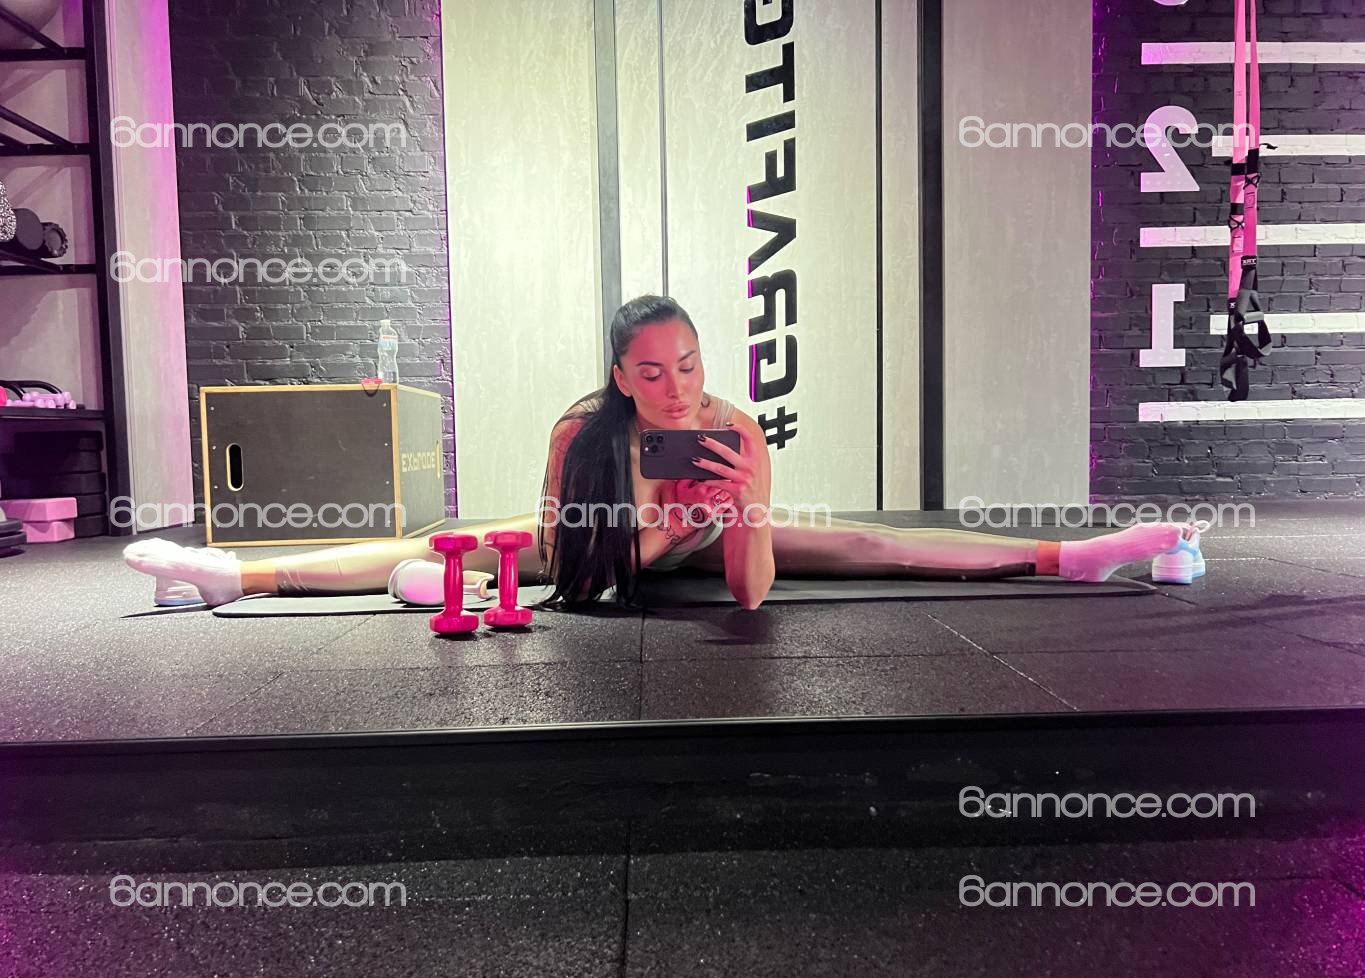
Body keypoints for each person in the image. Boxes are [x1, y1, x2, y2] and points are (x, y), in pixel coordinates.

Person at [124, 295, 1199, 611]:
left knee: (872, 541)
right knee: (434, 544)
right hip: (595, 552)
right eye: (653, 373)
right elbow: (579, 581)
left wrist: (739, 514)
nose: (679, 388)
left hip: (707, 540)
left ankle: (1072, 558)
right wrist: (663, 527)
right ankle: (232, 575)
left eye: (688, 365)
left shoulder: (733, 427)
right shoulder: (578, 435)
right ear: (620, 377)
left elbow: (750, 599)